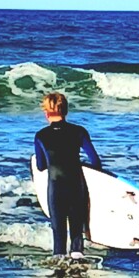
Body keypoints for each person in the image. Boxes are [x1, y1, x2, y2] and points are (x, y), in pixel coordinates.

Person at [34, 92, 101, 259]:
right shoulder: (79, 132)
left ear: (46, 112)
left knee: (59, 237)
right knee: (77, 235)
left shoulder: (41, 136)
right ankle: (78, 271)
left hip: (55, 189)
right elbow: (95, 161)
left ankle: (59, 275)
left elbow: (41, 166)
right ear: (66, 110)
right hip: (76, 187)